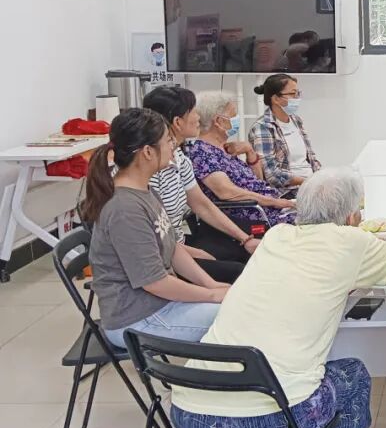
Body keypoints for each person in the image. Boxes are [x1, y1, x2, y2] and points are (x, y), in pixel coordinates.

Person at [170, 169, 386, 428]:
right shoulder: (352, 241)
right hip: (273, 423)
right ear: (352, 216)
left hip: (190, 417)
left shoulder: (276, 236)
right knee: (355, 376)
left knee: (253, 382)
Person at [80, 108, 227, 349]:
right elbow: (155, 282)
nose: (173, 146)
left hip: (159, 304)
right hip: (137, 320)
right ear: (147, 152)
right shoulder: (124, 209)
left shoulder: (145, 190)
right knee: (244, 316)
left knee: (244, 305)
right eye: (168, 141)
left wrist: (212, 286)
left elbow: (173, 248)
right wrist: (212, 296)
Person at [143, 86, 258, 279]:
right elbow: (152, 238)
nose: (199, 117)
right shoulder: (151, 168)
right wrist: (191, 254)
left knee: (251, 255)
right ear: (177, 122)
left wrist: (245, 239)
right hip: (164, 257)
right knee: (241, 274)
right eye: (193, 112)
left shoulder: (179, 157)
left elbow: (201, 204)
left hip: (178, 245)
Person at [187, 91, 296, 231]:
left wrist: (250, 151)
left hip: (268, 209)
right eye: (234, 115)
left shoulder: (225, 149)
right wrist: (274, 202)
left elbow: (257, 181)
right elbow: (226, 192)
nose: (236, 119)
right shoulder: (202, 153)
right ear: (219, 121)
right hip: (253, 217)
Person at [247, 73, 322, 189]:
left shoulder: (296, 120)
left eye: (298, 93)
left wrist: (321, 178)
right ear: (276, 99)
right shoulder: (262, 127)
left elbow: (312, 158)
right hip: (288, 191)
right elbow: (272, 175)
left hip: (310, 185)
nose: (297, 98)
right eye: (293, 94)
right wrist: (307, 182)